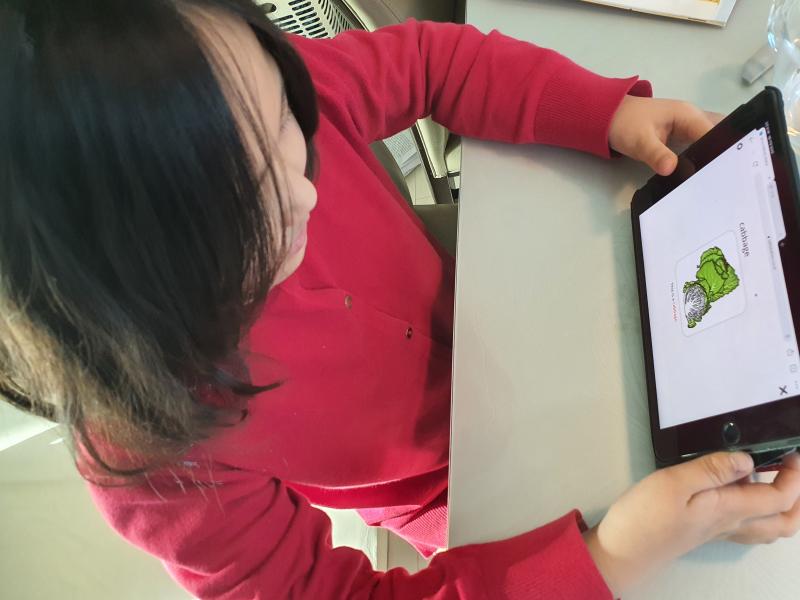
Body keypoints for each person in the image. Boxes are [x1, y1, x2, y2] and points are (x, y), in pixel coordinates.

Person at [3, 0, 800, 597]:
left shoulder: (233, 94)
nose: (305, 191)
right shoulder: (150, 462)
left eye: (286, 122)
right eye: (243, 210)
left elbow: (430, 63)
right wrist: (611, 559)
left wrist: (602, 110)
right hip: (470, 495)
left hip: (513, 310)